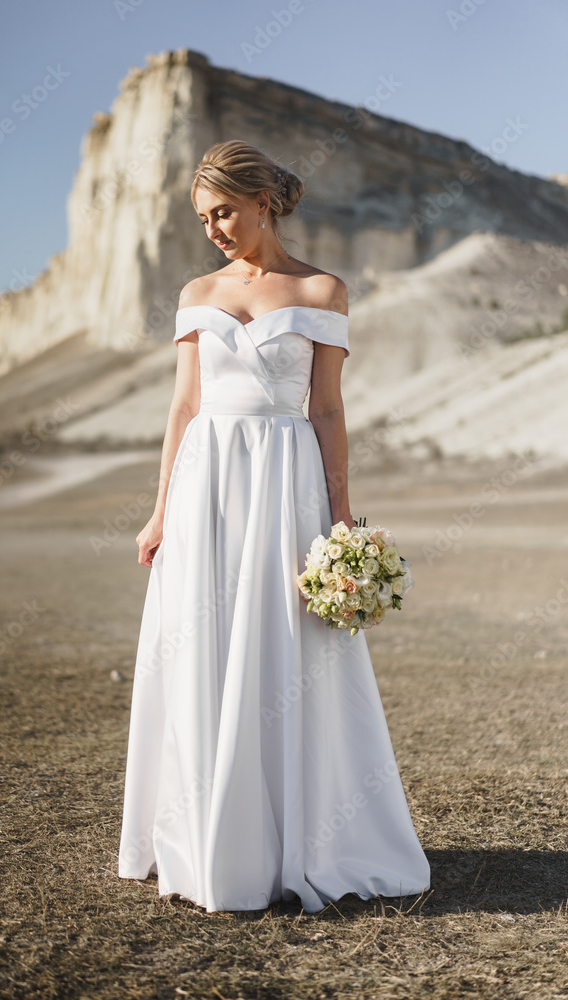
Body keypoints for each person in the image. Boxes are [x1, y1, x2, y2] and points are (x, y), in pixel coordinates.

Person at [117, 140, 430, 913]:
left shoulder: (323, 290)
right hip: (206, 482)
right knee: (204, 647)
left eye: (222, 211)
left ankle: (303, 836)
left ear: (262, 199)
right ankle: (209, 834)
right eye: (202, 218)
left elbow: (325, 408)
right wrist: (160, 509)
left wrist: (339, 515)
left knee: (287, 654)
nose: (214, 228)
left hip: (284, 479)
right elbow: (185, 408)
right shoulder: (197, 291)